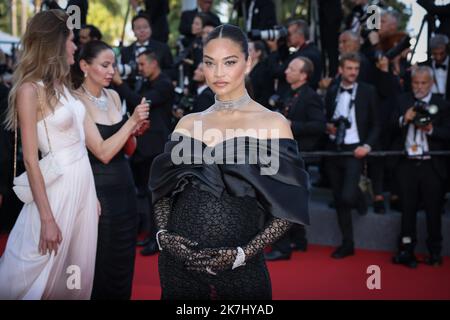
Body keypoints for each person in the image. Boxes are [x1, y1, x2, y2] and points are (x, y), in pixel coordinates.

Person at [149, 24, 310, 300]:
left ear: (248, 62)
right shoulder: (188, 123)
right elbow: (165, 192)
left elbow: (288, 208)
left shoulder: (272, 124)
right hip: (178, 265)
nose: (218, 72)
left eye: (230, 62)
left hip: (241, 269)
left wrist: (242, 254)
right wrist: (164, 236)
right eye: (210, 63)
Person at [0, 10, 149, 300]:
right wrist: (46, 218)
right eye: (70, 41)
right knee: (41, 269)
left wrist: (90, 195)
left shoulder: (63, 86)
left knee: (76, 272)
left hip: (83, 188)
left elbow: (82, 144)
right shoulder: (30, 90)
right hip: (56, 192)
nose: (75, 46)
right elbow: (30, 160)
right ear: (55, 43)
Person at [72, 40, 150, 299]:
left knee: (124, 261)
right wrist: (131, 123)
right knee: (100, 261)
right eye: (104, 65)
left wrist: (134, 131)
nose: (111, 71)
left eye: (113, 65)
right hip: (98, 191)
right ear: (84, 66)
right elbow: (103, 153)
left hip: (125, 188)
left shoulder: (114, 96)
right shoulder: (76, 101)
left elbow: (127, 150)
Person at [113, 49, 174, 256]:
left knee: (155, 196)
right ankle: (150, 235)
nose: (139, 68)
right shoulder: (146, 83)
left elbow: (141, 103)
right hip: (143, 148)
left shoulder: (164, 84)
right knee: (146, 195)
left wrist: (120, 83)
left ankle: (157, 240)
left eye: (142, 64)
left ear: (154, 63)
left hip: (156, 148)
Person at [265, 56, 326, 261]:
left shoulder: (311, 97)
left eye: (292, 69)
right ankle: (299, 240)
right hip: (283, 153)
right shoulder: (288, 93)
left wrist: (292, 125)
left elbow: (319, 126)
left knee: (280, 201)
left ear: (304, 75)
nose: (286, 71)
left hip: (296, 156)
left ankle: (282, 247)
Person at [391, 66, 450, 268]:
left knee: (434, 211)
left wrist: (431, 130)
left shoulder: (441, 104)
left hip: (431, 165)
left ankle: (435, 251)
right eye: (416, 82)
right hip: (407, 163)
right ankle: (406, 249)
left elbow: (448, 133)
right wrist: (403, 119)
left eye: (423, 83)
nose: (419, 87)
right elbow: (387, 127)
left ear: (431, 83)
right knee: (407, 209)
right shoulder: (402, 101)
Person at [324, 53, 380, 259]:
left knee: (347, 196)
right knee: (339, 200)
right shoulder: (332, 91)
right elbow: (327, 119)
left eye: (356, 69)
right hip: (333, 150)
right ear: (341, 69)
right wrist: (328, 127)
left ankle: (360, 199)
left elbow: (377, 124)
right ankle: (348, 244)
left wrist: (367, 145)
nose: (353, 72)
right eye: (349, 68)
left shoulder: (368, 91)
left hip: (356, 150)